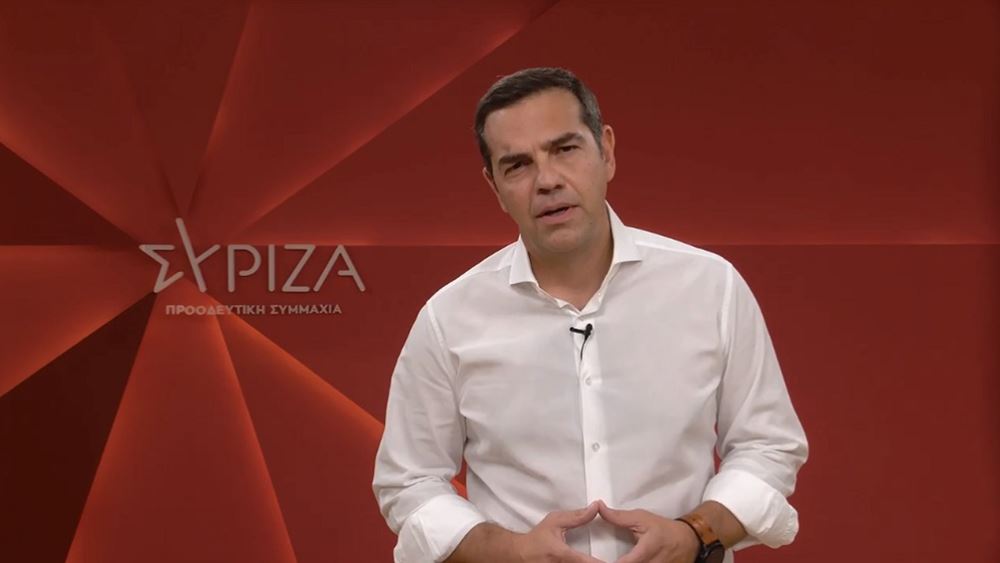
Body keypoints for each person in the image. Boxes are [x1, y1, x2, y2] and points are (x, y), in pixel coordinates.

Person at [373, 67, 808, 563]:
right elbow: (409, 481)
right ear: (494, 187)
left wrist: (694, 534)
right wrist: (511, 552)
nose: (547, 181)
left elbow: (768, 446)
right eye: (518, 165)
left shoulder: (711, 287)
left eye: (565, 149)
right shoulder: (448, 319)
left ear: (607, 151)